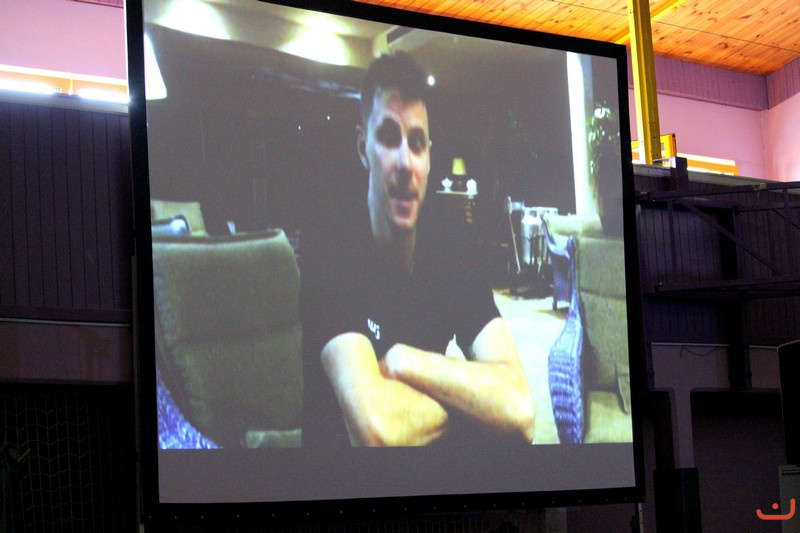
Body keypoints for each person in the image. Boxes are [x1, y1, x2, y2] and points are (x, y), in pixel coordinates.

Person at [319, 53, 535, 447]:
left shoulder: (452, 242)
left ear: (429, 157)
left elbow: (519, 408)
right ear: (362, 148)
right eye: (389, 138)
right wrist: (473, 406)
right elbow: (378, 431)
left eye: (417, 144)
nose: (405, 162)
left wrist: (403, 361)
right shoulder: (331, 240)